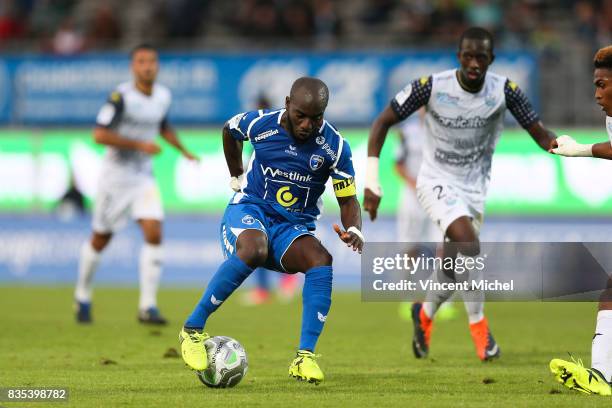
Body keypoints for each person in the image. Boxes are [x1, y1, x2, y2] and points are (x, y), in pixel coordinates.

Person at [364, 27, 557, 361]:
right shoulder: (431, 87)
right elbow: (382, 122)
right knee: (468, 241)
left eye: (480, 56)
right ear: (459, 56)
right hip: (435, 180)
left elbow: (540, 134)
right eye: (467, 55)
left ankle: (423, 315)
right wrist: (371, 178)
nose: (473, 63)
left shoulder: (505, 91)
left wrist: (576, 149)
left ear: (490, 60)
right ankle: (481, 331)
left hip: (475, 188)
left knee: (453, 266)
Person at [179, 77, 363, 385]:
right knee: (254, 249)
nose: (307, 124)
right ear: (288, 104)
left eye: (315, 117)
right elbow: (230, 130)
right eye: (300, 115)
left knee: (321, 259)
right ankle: (192, 330)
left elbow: (348, 198)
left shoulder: (335, 147)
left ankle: (304, 358)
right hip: (250, 210)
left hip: (292, 227)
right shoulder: (262, 124)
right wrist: (236, 174)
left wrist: (354, 227)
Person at [73, 44, 198, 325]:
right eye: (141, 61)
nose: (148, 66)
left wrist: (184, 151)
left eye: (152, 61)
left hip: (143, 177)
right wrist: (139, 144)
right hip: (114, 178)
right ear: (133, 67)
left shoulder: (163, 96)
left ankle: (148, 306)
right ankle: (82, 294)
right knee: (100, 238)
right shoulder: (120, 97)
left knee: (154, 232)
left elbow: (163, 126)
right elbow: (99, 134)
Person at [548, 45, 612, 396]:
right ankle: (602, 376)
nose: (596, 93)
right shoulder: (611, 119)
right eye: (595, 85)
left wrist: (581, 149)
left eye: (602, 84)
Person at [393, 109, 455, 323]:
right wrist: (415, 185)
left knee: (443, 246)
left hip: (438, 196)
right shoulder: (407, 132)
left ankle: (443, 301)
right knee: (410, 248)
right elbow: (398, 164)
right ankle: (407, 297)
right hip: (412, 198)